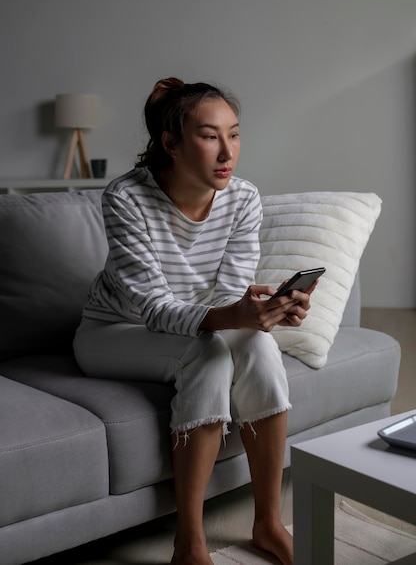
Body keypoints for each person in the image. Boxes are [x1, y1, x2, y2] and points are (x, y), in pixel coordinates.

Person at [74, 77, 316, 565]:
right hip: (115, 332)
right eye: (209, 136)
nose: (227, 152)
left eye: (234, 134)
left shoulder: (243, 199)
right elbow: (156, 309)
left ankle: (268, 523)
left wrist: (264, 313)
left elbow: (229, 294)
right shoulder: (126, 199)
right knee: (205, 354)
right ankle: (189, 541)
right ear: (171, 143)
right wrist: (234, 315)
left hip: (197, 320)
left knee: (260, 347)